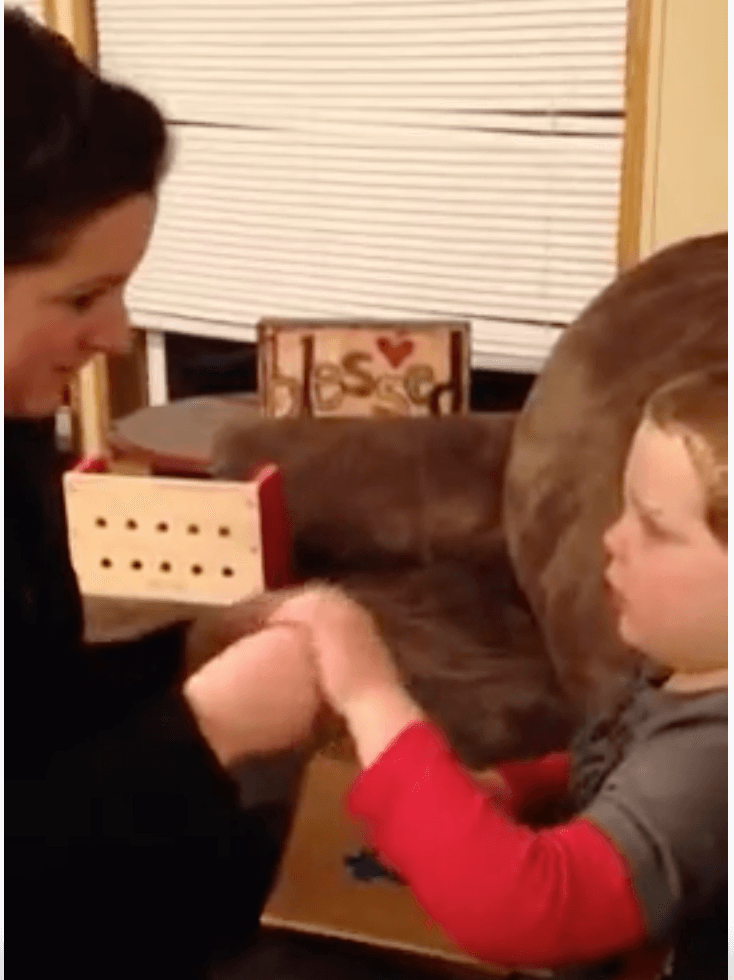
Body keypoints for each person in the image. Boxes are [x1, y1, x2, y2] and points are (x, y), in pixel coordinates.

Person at [5, 9, 323, 978]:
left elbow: (29, 701)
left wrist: (187, 650)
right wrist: (207, 728)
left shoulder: (17, 428)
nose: (116, 332)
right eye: (80, 296)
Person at [270, 364, 727, 980]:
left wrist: (369, 691)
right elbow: (620, 762)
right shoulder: (688, 673)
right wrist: (519, 787)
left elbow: (534, 911)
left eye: (654, 526)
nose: (612, 539)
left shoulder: (715, 758)